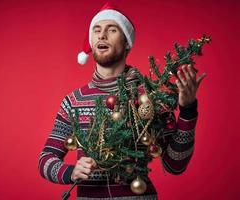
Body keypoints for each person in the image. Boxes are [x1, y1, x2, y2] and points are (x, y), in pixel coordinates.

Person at [38, 3, 206, 200]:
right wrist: (70, 172)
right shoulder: (74, 101)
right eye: (97, 30)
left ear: (126, 42)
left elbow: (175, 164)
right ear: (91, 42)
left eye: (112, 30)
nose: (102, 35)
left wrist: (187, 110)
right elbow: (46, 159)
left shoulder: (148, 96)